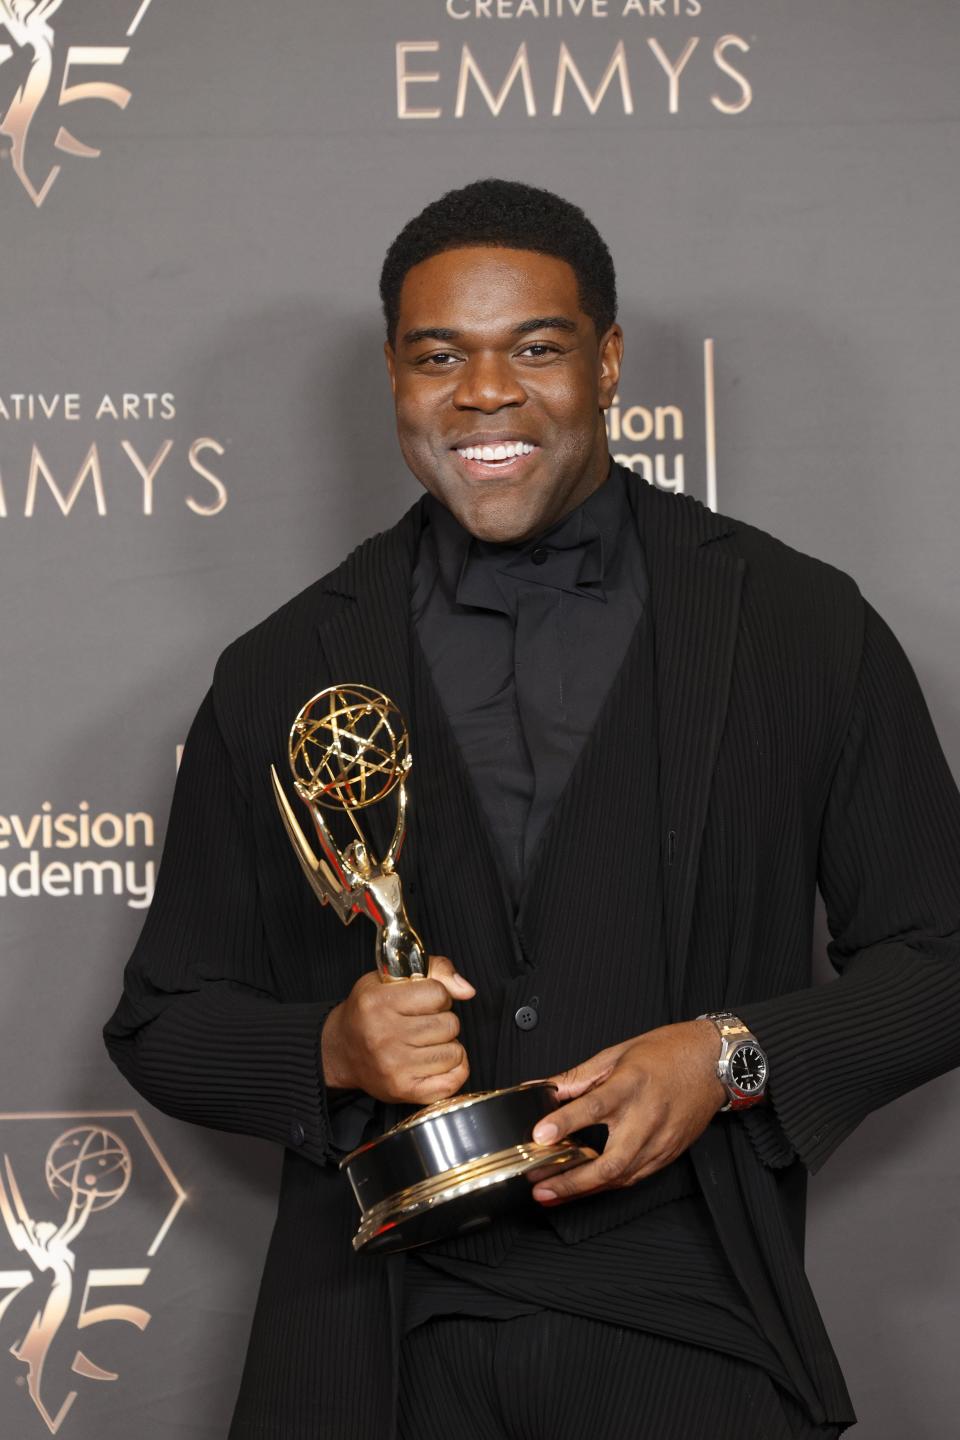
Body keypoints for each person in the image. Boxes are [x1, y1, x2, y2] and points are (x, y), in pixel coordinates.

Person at [103, 179, 960, 1439]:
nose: (484, 393)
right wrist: (334, 1050)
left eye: (536, 348)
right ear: (392, 375)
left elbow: (945, 955)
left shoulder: (797, 627)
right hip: (372, 1345)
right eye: (437, 355)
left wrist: (725, 1058)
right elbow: (163, 1019)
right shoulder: (283, 669)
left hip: (695, 1329)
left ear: (608, 363)